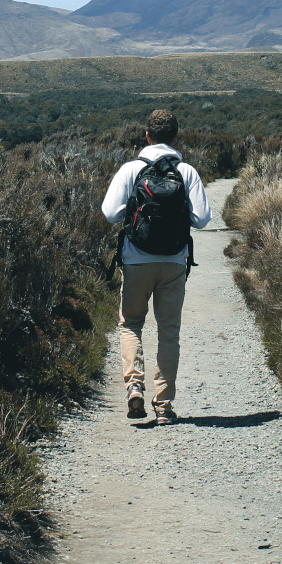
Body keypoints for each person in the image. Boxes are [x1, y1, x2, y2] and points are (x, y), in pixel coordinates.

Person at [101, 109, 211, 425]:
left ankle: (134, 386)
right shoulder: (186, 172)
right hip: (174, 261)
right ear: (176, 138)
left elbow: (110, 212)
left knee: (131, 323)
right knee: (168, 332)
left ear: (147, 136)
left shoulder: (131, 170)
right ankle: (163, 405)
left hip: (136, 260)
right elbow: (202, 219)